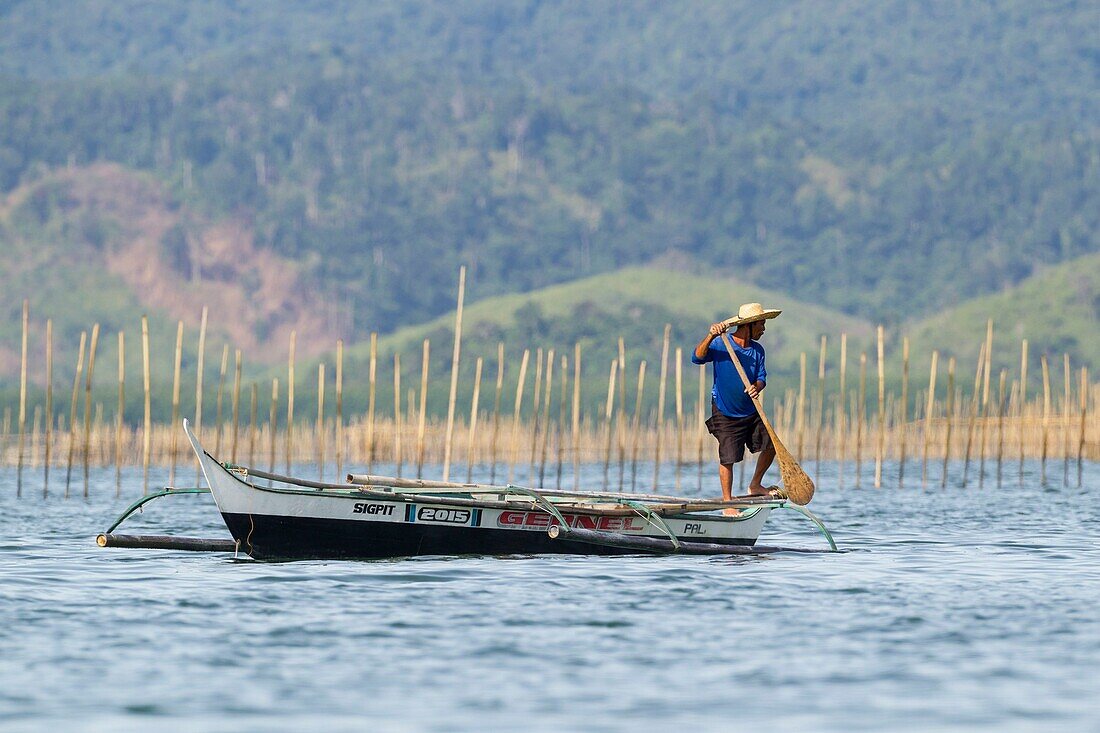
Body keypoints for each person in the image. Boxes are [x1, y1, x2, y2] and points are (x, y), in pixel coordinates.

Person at [692, 302, 781, 508]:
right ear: (748, 325)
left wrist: (756, 387)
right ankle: (728, 502)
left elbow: (761, 377)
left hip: (750, 410)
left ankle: (756, 485)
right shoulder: (721, 344)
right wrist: (711, 335)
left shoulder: (757, 351)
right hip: (725, 410)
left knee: (771, 445)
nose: (764, 329)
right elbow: (696, 357)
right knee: (728, 457)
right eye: (761, 325)